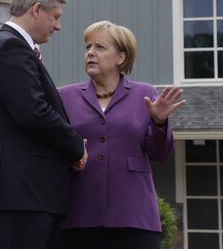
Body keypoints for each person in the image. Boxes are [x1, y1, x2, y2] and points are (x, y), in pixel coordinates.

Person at [0, 0, 88, 249]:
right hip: (23, 194)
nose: (58, 26)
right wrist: (75, 147)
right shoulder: (11, 48)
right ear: (37, 9)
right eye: (55, 16)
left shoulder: (8, 47)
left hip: (26, 194)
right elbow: (32, 112)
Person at [59, 20, 186, 249]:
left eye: (100, 47)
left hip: (134, 216)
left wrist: (159, 121)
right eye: (88, 47)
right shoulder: (66, 96)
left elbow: (160, 154)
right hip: (79, 215)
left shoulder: (145, 94)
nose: (90, 53)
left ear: (120, 58)